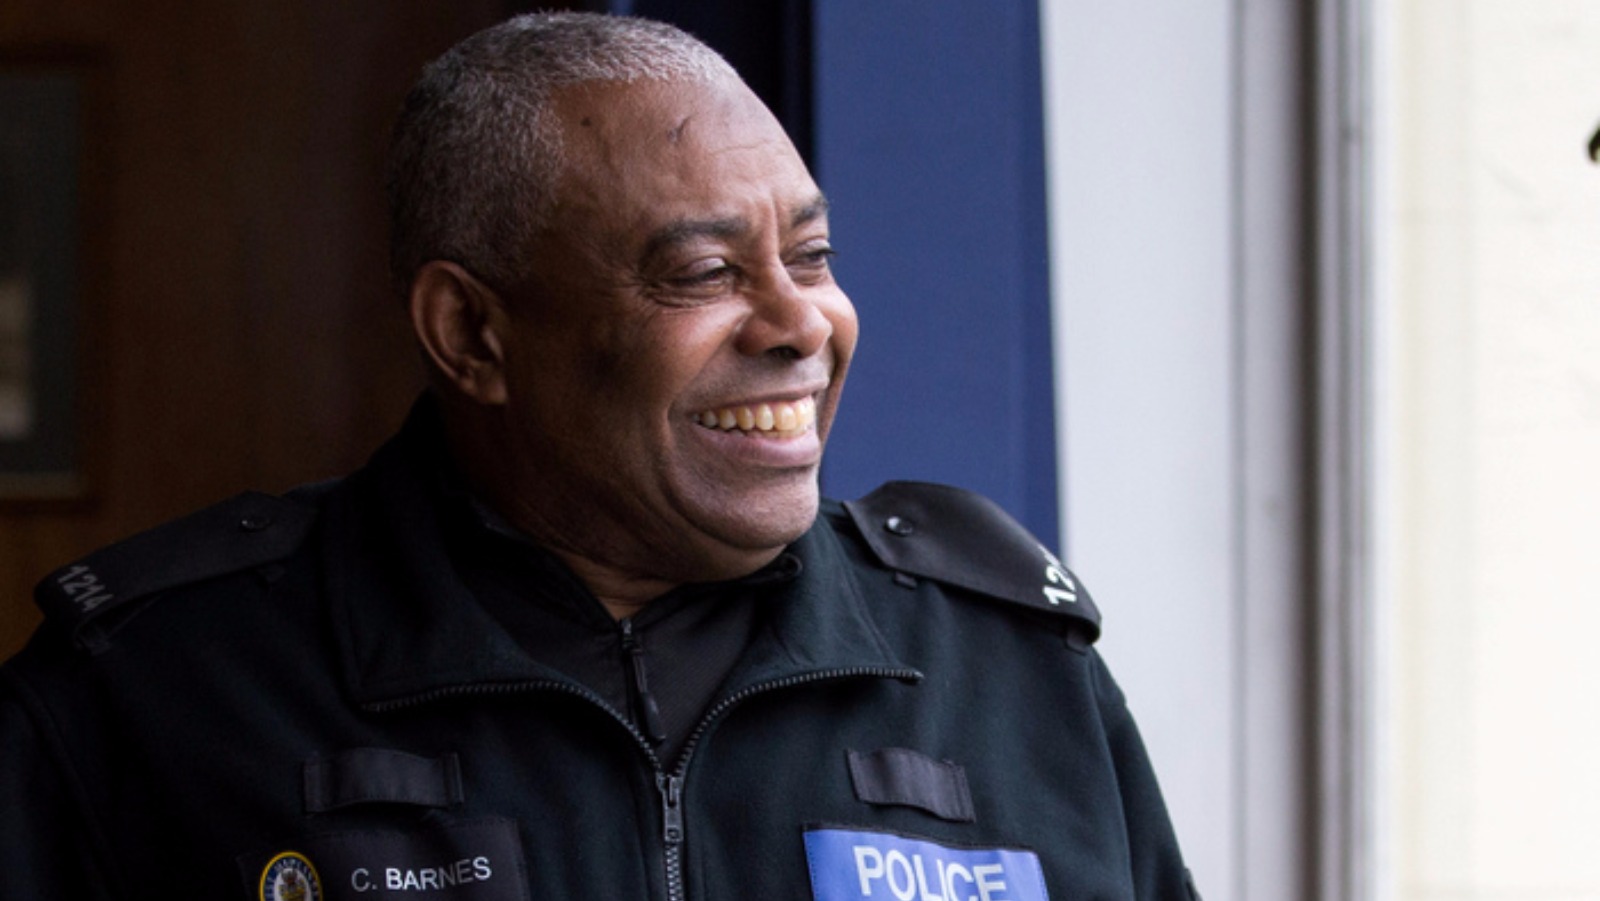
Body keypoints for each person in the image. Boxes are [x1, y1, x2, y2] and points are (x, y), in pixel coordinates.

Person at [0, 12, 1199, 900]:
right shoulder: (155, 687)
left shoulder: (1013, 676)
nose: (801, 324)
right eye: (705, 272)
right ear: (473, 334)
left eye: (812, 256)